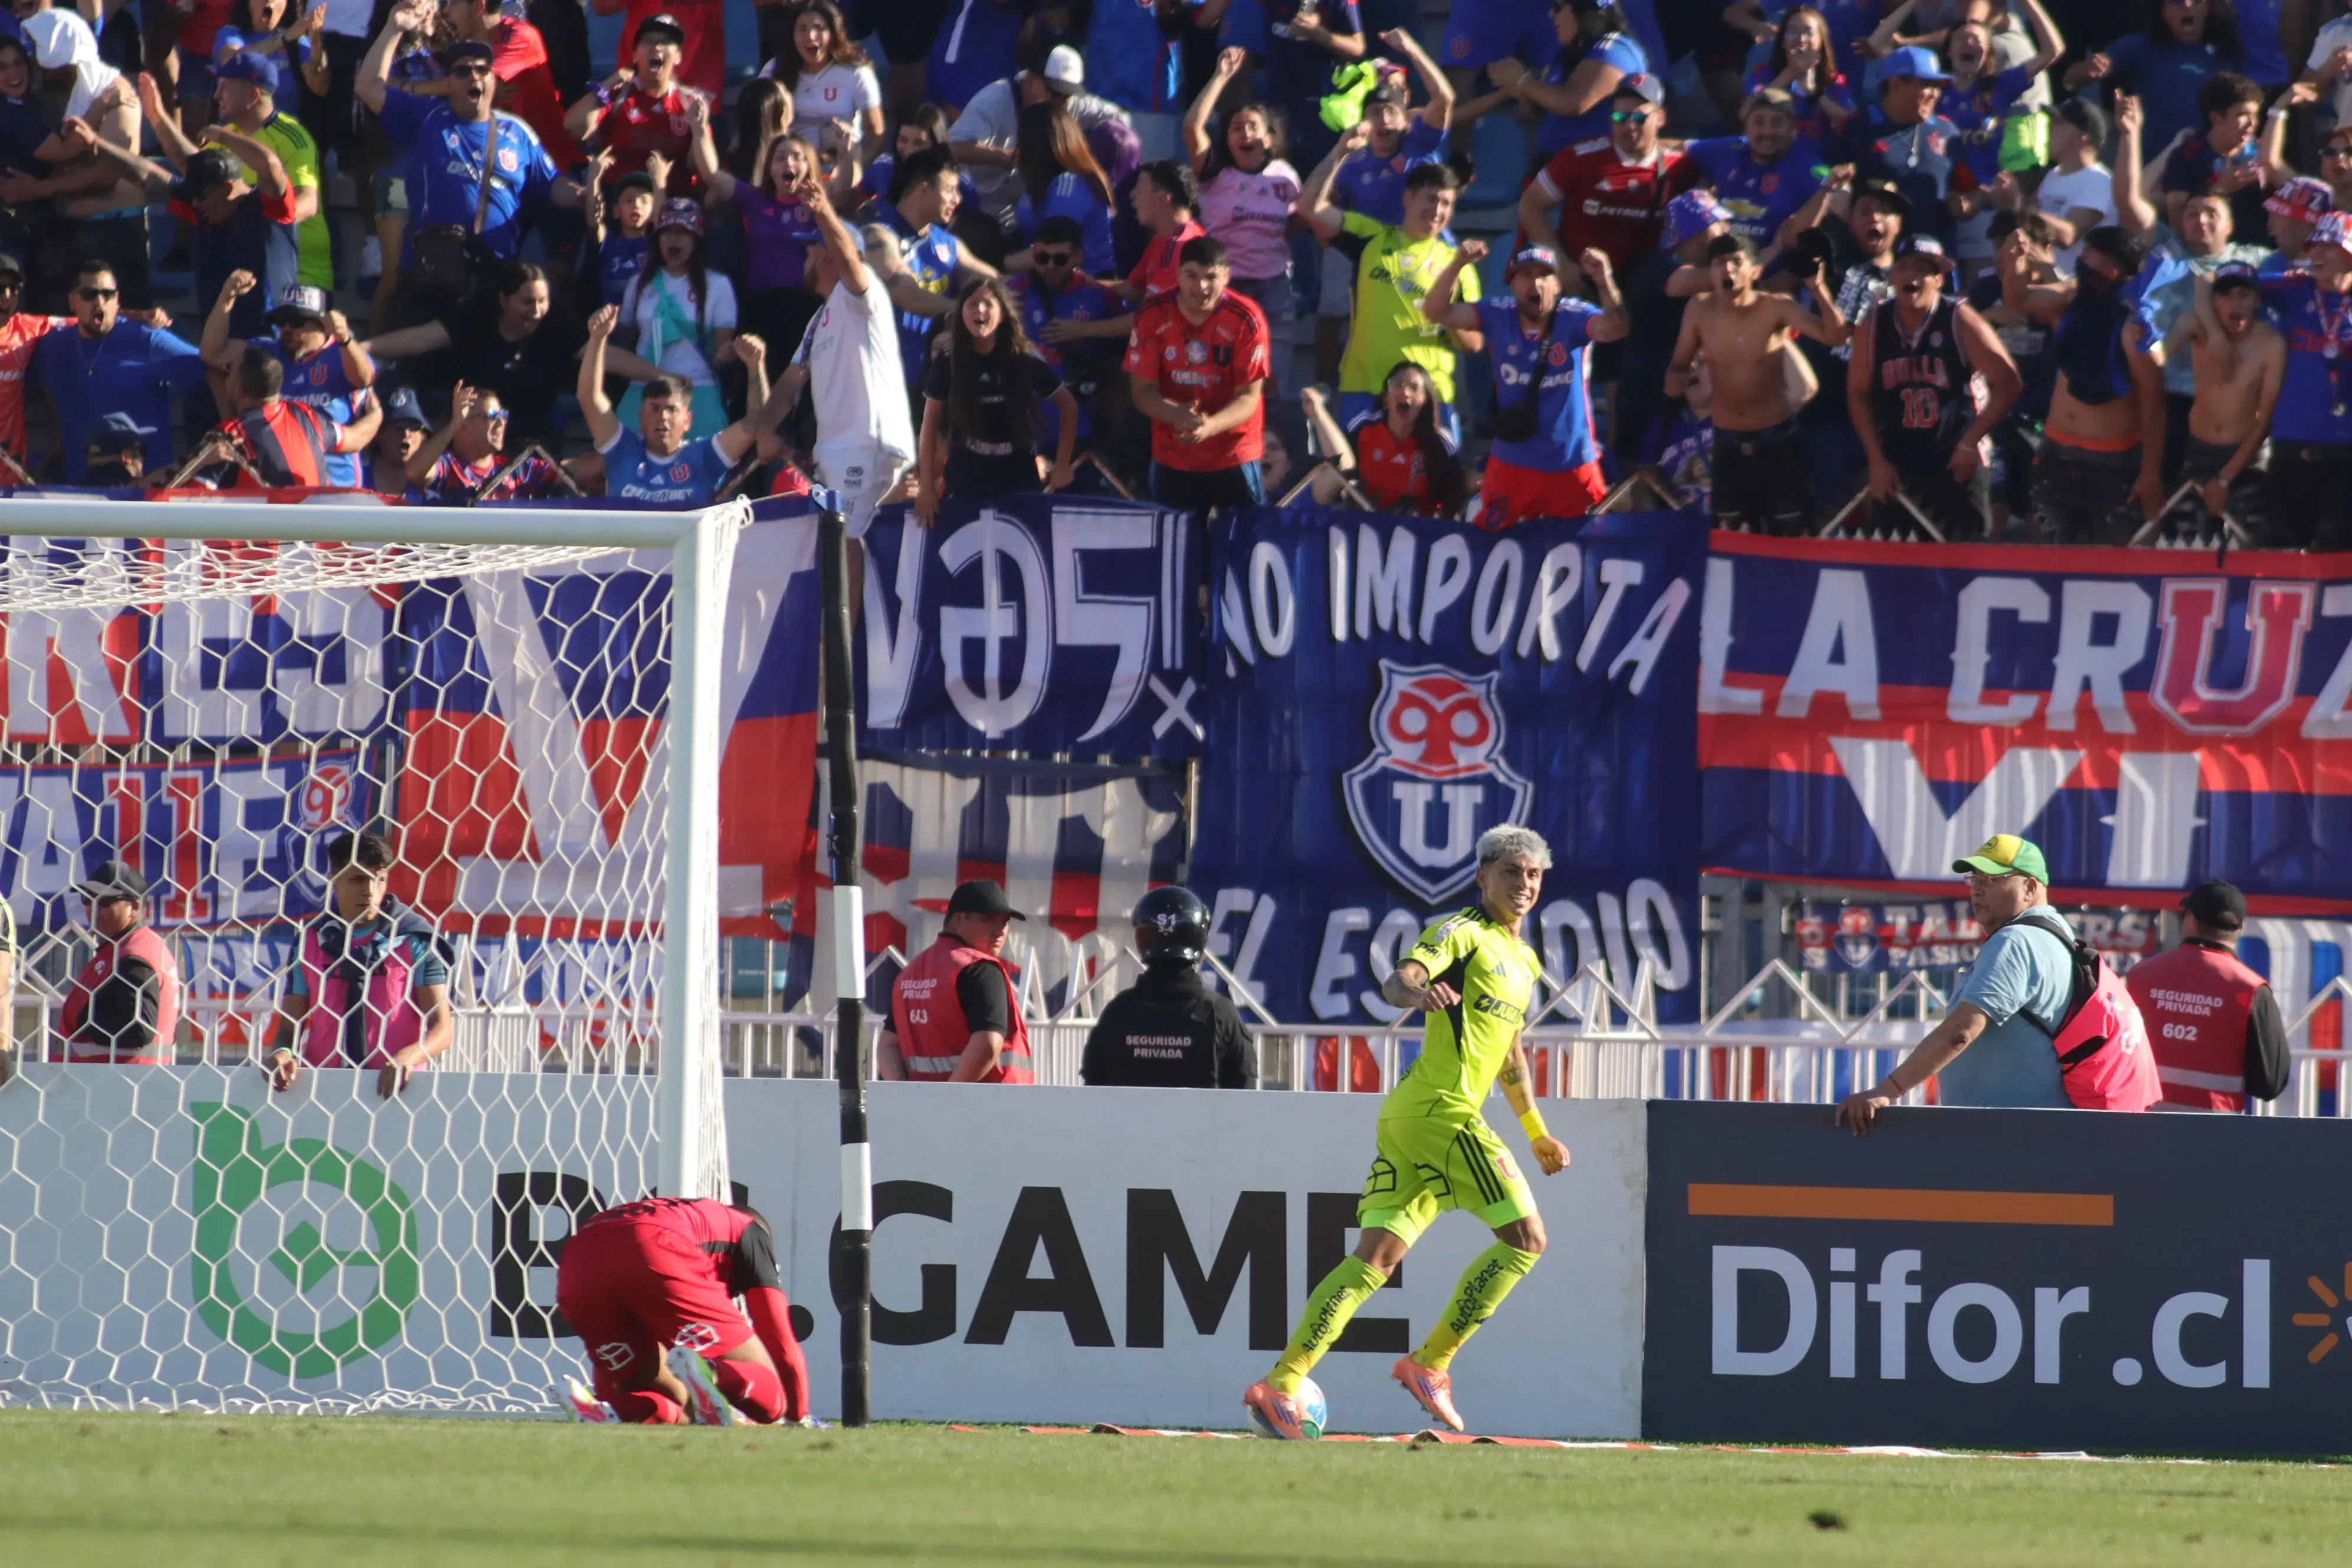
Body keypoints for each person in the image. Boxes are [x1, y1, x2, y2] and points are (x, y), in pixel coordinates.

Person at [1242, 825, 1570, 1440]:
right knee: (1526, 1239)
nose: (1523, 884)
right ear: (1483, 877)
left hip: (1411, 1118)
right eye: (1510, 872)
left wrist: (1536, 1132)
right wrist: (1416, 992)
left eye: (1532, 874)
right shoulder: (1462, 932)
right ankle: (1432, 1363)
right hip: (1442, 1113)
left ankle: (1282, 1383)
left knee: (1376, 1259)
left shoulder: (1524, 960)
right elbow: (1399, 978)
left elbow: (1510, 1055)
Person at [1834, 834, 2080, 1122]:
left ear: (2030, 887)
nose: (1977, 890)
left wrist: (1887, 1090)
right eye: (1974, 879)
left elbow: (1961, 1032)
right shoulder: (2059, 935)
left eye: (1992, 879)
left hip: (2010, 1133)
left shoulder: (2016, 940)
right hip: (2035, 1128)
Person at [358, 15, 575, 293]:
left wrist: (584, 195)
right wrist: (393, 27)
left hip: (497, 276)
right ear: (447, 82)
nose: (474, 76)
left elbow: (553, 185)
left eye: (483, 70)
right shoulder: (426, 117)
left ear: (494, 81)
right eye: (462, 71)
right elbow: (367, 87)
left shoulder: (518, 132)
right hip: (434, 272)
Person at [554, 1196, 813, 1426]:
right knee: (773, 1397)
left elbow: (612, 1379)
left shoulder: (684, 1216)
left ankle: (601, 1411)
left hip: (577, 1261)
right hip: (656, 1248)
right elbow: (781, 1342)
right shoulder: (748, 1229)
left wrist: (610, 1396)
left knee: (665, 1392)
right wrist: (798, 1416)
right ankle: (711, 1373)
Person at [1420, 240, 1626, 524]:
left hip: (1573, 464)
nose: (1536, 283)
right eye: (1526, 275)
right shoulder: (1497, 314)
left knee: (1585, 551)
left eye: (1544, 275)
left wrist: (1604, 280)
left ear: (1557, 285)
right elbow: (1434, 312)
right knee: (1490, 549)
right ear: (1513, 285)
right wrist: (1458, 263)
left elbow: (1617, 328)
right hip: (1512, 463)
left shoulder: (1575, 316)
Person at [1672, 230, 1851, 533]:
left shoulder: (1776, 307)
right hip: (1726, 441)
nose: (1727, 269)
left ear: (1755, 271)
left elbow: (1837, 336)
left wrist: (1818, 288)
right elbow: (1677, 365)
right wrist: (1675, 380)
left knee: (1790, 537)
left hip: (1777, 440)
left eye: (1735, 262)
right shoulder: (1699, 309)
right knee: (1729, 540)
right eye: (1719, 263)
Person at [1847, 231, 2021, 537]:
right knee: (1893, 563)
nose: (1911, 275)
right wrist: (1875, 460)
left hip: (1957, 459)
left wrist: (1971, 442)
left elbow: (2009, 383)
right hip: (1898, 462)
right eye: (1904, 267)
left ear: (1939, 280)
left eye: (1923, 269)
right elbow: (1857, 393)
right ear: (1892, 276)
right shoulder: (1873, 325)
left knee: (1963, 565)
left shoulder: (1960, 320)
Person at [1305, 147, 1479, 440]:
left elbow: (1474, 343)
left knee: (1434, 485)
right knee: (1353, 483)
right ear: (1408, 198)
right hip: (1364, 389)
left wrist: (1444, 310)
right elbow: (1309, 207)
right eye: (1431, 199)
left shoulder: (1461, 266)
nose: (1438, 211)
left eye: (1447, 204)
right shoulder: (1371, 238)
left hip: (1429, 395)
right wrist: (1341, 151)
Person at [264, 829, 453, 1098]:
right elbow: (289, 1027)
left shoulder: (415, 940)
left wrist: (410, 1057)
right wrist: (282, 1054)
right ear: (334, 881)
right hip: (322, 1091)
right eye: (357, 879)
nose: (370, 890)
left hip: (398, 1090)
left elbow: (442, 1028)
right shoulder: (310, 942)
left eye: (380, 879)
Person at [362, 261, 622, 452]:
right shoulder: (477, 314)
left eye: (543, 301)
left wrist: (660, 374)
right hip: (479, 430)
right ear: (504, 300)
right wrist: (361, 348)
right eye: (527, 302)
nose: (537, 311)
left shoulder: (555, 324)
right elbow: (423, 337)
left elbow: (607, 356)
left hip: (536, 430)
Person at [1311, 44, 1453, 384]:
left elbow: (1445, 99)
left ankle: (1434, 391)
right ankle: (1326, 387)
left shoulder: (1419, 145)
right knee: (1335, 316)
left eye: (1391, 111)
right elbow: (1317, 202)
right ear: (1363, 122)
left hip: (1428, 253)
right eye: (1374, 112)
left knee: (1443, 322)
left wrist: (1409, 50)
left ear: (1406, 120)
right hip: (1371, 254)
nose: (1383, 120)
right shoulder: (1350, 164)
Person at [790, 172, 917, 535]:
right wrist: (766, 428)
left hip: (864, 444)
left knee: (845, 538)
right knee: (838, 540)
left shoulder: (863, 293)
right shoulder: (819, 319)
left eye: (813, 249)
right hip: (839, 450)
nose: (806, 257)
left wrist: (823, 212)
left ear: (831, 254)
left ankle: (846, 598)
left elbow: (851, 263)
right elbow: (789, 382)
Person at [2024, 226, 2168, 544]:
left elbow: (2154, 405)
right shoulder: (2071, 300)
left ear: (2111, 269)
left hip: (2113, 465)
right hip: (2055, 455)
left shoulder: (2137, 326)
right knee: (2049, 562)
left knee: (2113, 567)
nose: (2080, 260)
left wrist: (2149, 474)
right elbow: (2019, 299)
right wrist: (2015, 263)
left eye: (2088, 255)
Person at [1123, 233, 1273, 511]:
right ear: (1177, 275)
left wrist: (1210, 427)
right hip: (1173, 456)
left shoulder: (1247, 319)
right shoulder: (1152, 315)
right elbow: (1142, 392)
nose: (1201, 286)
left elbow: (1249, 397)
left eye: (1211, 277)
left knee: (1245, 546)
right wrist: (1176, 414)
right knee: (1177, 548)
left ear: (1227, 276)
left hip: (1233, 454)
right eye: (1191, 276)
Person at [33, 259, 207, 482]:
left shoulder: (149, 340)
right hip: (82, 487)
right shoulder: (53, 346)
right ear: (72, 301)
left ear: (118, 300)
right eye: (89, 295)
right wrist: (56, 441)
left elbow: (209, 367)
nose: (100, 302)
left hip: (144, 487)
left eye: (108, 295)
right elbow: (46, 384)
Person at [916, 277, 1079, 516]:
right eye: (971, 304)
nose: (980, 310)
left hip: (1017, 465)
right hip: (967, 467)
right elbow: (929, 422)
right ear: (961, 313)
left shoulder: (1024, 357)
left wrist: (1063, 464)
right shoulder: (950, 359)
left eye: (988, 304)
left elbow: (1069, 406)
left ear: (1002, 314)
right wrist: (925, 488)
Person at [2125, 878, 2290, 1113]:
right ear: (2239, 929)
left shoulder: (2140, 976)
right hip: (2213, 1134)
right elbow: (2270, 1083)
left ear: (2191, 921)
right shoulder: (2250, 989)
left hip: (2140, 1123)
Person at [581, 308, 777, 504]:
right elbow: (589, 398)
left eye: (672, 410)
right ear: (641, 417)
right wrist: (598, 339)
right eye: (654, 409)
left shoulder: (705, 456)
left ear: (688, 420)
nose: (663, 417)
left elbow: (755, 424)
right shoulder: (622, 451)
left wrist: (755, 367)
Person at [1518, 74, 1694, 292]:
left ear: (1661, 118)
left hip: (1645, 291)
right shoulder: (1580, 157)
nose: (1629, 125)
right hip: (1583, 287)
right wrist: (1561, 265)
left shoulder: (1681, 166)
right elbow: (1530, 205)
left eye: (1639, 118)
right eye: (1620, 117)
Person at [200, 276, 376, 487]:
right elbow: (212, 353)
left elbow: (365, 378)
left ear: (323, 324)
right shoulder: (269, 354)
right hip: (282, 485)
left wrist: (346, 340)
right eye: (281, 321)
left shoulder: (341, 354)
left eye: (297, 321)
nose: (286, 329)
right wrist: (226, 296)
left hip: (339, 486)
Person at [1080, 887, 1255, 1089]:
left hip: (1128, 1120)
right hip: (1201, 1121)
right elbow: (1244, 1093)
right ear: (1199, 935)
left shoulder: (1117, 1012)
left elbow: (1092, 1087)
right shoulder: (1220, 1014)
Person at [1184, 55, 1304, 335]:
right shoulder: (1214, 172)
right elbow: (1192, 127)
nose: (1246, 134)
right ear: (1226, 139)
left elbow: (1299, 218)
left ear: (1269, 138)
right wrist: (1221, 76)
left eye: (1253, 127)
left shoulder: (1285, 175)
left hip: (1274, 284)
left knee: (1274, 370)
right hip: (1226, 282)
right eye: (1237, 128)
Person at [948, 45, 1132, 226]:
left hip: (1025, 214)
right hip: (976, 208)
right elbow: (951, 148)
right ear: (1030, 79)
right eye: (1053, 91)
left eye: (1066, 95)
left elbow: (1121, 119)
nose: (1059, 101)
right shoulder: (994, 100)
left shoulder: (1072, 103)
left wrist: (1085, 151)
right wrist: (1008, 157)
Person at [876, 878, 1037, 1083]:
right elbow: (988, 1042)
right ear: (957, 920)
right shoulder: (979, 968)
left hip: (924, 1105)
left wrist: (903, 1092)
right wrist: (949, 1097)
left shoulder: (910, 974)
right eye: (988, 919)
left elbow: (888, 1044)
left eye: (1004, 922)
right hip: (990, 1103)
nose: (1000, 931)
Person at [2256, 214, 2352, 551]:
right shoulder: (2294, 287)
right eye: (2314, 246)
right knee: (2280, 551)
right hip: (2291, 442)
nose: (2318, 255)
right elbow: (2218, 283)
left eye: (2331, 246)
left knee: (2339, 555)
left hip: (2346, 450)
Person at [2162, 264, 2280, 538]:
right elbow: (2159, 356)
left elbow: (2265, 419)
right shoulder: (2198, 327)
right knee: (2186, 544)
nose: (2235, 303)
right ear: (2214, 302)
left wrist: (2226, 477)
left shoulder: (2271, 344)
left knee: (2250, 545)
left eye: (2243, 295)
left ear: (2257, 301)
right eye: (2226, 295)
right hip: (2198, 452)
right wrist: (2143, 334)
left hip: (2246, 458)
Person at [615, 198, 737, 437]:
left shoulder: (718, 285)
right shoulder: (638, 284)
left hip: (696, 389)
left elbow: (723, 346)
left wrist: (729, 353)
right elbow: (628, 343)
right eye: (667, 232)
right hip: (643, 389)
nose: (674, 239)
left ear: (697, 240)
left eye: (683, 233)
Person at [872, 146, 992, 387]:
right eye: (950, 190)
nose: (958, 199)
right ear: (924, 190)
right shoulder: (879, 236)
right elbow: (910, 298)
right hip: (884, 380)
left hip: (933, 379)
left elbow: (992, 282)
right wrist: (967, 312)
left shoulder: (948, 243)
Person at [2067, 0, 2246, 157]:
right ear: (2162, 11)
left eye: (2197, 1)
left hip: (2207, 168)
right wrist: (2087, 70)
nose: (2188, 5)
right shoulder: (2140, 47)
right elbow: (2070, 81)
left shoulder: (2227, 54)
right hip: (2151, 170)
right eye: (2176, 1)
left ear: (2207, 8)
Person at [1832, 45, 1969, 247]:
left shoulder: (1948, 131)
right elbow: (1826, 177)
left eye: (1937, 86)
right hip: (1873, 255)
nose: (1935, 94)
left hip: (1932, 259)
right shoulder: (1855, 129)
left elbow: (1969, 188)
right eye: (1927, 85)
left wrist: (1969, 203)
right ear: (1895, 84)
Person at [564, 11, 704, 197]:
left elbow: (701, 170)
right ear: (635, 55)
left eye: (666, 42)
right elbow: (572, 128)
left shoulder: (690, 102)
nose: (657, 47)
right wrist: (606, 86)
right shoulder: (617, 94)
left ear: (679, 56)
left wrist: (700, 130)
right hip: (616, 200)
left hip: (671, 202)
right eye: (649, 41)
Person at [58, 861, 182, 1066]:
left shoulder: (136, 956)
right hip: (110, 1083)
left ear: (134, 907)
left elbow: (137, 1028)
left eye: (105, 902)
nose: (93, 909)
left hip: (121, 1086)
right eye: (88, 899)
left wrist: (85, 1019)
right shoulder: (123, 949)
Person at [201, 340, 371, 486]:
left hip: (265, 523)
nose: (224, 377)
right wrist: (376, 415)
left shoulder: (229, 436)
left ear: (239, 391)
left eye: (228, 370)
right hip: (318, 520)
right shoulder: (308, 418)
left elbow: (184, 492)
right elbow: (356, 438)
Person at [1298, 369, 1468, 514]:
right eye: (1398, 385)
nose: (1406, 392)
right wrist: (1318, 412)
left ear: (1425, 401)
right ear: (1386, 398)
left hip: (1418, 534)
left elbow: (1455, 490)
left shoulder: (1439, 440)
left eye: (1414, 388)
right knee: (1331, 475)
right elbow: (1342, 464)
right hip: (1365, 527)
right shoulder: (1365, 427)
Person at [1684, 89, 1827, 254]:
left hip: (1775, 272)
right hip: (1725, 269)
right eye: (1759, 123)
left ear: (1793, 130)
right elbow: (1678, 148)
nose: (1767, 132)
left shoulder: (1809, 169)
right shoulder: (1728, 151)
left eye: (1777, 123)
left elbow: (1838, 191)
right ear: (1746, 129)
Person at [407, 378, 566, 499]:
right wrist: (453, 425)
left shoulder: (518, 469)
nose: (501, 422)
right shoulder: (448, 467)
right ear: (463, 424)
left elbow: (580, 471)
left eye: (503, 415)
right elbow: (414, 473)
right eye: (492, 416)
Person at [1012, 98, 1118, 279]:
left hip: (1085, 283)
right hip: (1043, 276)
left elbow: (1052, 249)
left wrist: (1001, 263)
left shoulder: (1072, 185)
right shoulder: (1044, 183)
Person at [1743, 4, 1857, 140]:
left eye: (1808, 32)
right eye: (1793, 31)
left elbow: (1851, 124)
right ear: (1783, 41)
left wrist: (1814, 93)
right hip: (1775, 156)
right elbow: (1745, 112)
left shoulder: (1833, 80)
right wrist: (1790, 73)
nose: (1801, 39)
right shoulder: (1763, 73)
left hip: (1820, 159)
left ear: (1821, 42)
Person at [2033, 94, 2113, 276]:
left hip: (2075, 289)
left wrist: (2020, 207)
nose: (2049, 128)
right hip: (2046, 284)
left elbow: (2069, 235)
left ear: (2083, 137)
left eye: (2059, 123)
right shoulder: (2052, 176)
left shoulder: (2099, 180)